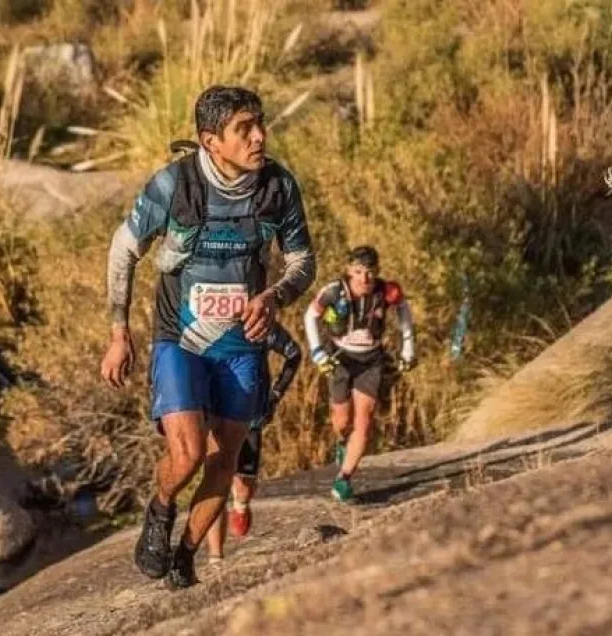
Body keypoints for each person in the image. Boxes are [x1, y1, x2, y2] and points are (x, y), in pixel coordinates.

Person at [100, 85, 316, 590]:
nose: (259, 137)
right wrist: (119, 332)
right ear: (210, 140)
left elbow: (303, 260)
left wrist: (275, 295)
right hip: (181, 337)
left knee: (225, 460)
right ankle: (161, 507)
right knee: (188, 453)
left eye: (260, 124)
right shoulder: (174, 184)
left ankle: (186, 556)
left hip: (242, 344)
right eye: (244, 129)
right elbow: (123, 248)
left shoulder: (278, 186)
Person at [302, 245, 415, 503]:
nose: (365, 278)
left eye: (370, 272)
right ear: (349, 271)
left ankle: (344, 479)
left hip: (371, 360)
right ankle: (343, 441)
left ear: (377, 271)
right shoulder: (333, 291)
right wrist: (317, 352)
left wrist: (408, 348)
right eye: (358, 272)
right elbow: (310, 316)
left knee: (364, 421)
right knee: (342, 421)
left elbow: (404, 311)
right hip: (340, 359)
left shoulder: (387, 291)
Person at [204, 322, 301, 563]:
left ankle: (241, 504)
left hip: (250, 417)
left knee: (243, 486)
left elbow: (294, 353)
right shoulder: (204, 323)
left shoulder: (260, 324)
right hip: (214, 413)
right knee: (216, 482)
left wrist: (275, 394)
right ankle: (216, 557)